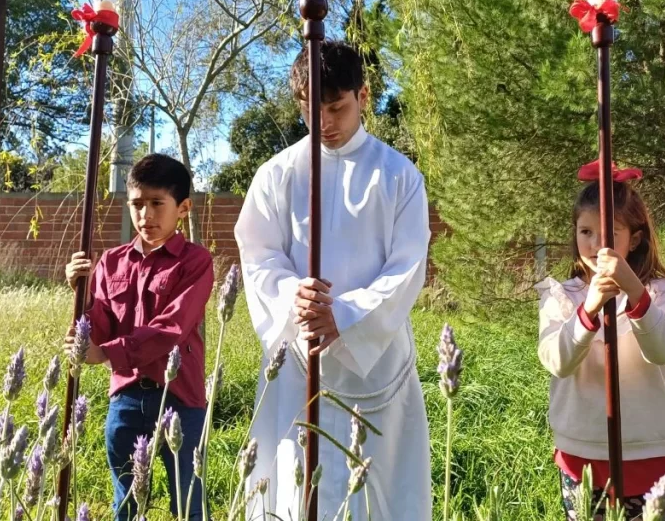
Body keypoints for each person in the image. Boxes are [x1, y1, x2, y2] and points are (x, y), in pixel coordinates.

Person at [234, 41, 432, 520]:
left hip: (375, 364)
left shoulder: (399, 177)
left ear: (363, 95)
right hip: (300, 357)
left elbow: (407, 267)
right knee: (297, 489)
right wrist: (291, 294)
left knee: (378, 493)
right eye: (309, 108)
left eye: (336, 107)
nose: (323, 121)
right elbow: (258, 254)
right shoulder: (276, 175)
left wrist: (342, 313)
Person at [64, 154, 213, 521]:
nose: (145, 215)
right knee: (126, 501)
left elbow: (172, 327)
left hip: (180, 395)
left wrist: (108, 353)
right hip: (126, 398)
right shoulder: (110, 262)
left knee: (188, 501)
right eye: (136, 204)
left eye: (156, 204)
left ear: (183, 208)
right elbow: (97, 324)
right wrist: (79, 293)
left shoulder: (195, 262)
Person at [537, 161, 665, 521]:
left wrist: (633, 292)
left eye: (609, 233)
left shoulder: (659, 291)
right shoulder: (562, 295)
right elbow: (557, 361)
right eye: (585, 231)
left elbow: (664, 349)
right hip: (581, 447)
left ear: (633, 238)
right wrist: (589, 308)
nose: (594, 244)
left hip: (644, 449)